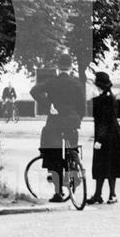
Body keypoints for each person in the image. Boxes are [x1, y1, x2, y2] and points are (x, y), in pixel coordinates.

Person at [29, 54, 85, 202]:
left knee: (53, 155)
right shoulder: (77, 83)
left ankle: (58, 192)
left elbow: (34, 91)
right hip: (71, 123)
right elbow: (82, 107)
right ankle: (74, 171)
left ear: (58, 67)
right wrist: (77, 120)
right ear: (71, 67)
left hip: (55, 122)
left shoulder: (52, 82)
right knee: (72, 150)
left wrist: (48, 105)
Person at [89, 72, 120, 204]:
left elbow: (104, 121)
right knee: (106, 165)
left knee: (106, 165)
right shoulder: (108, 97)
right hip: (112, 135)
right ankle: (101, 194)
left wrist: (99, 140)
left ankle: (108, 194)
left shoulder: (104, 99)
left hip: (107, 136)